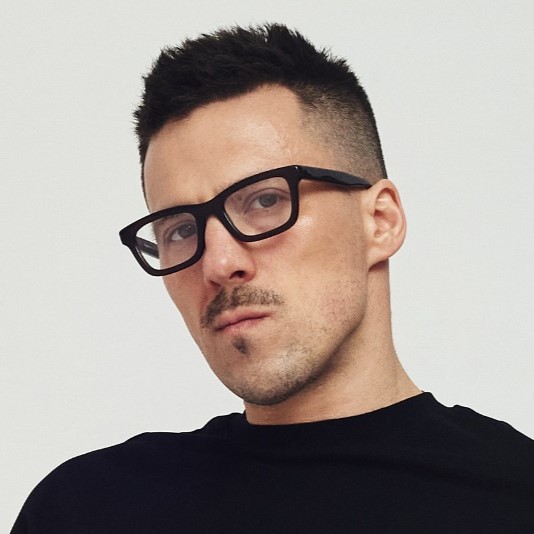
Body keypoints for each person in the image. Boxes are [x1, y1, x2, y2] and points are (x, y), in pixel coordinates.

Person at [11, 23, 534, 533]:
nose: (218, 264)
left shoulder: (513, 496)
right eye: (180, 230)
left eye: (265, 201)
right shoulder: (84, 508)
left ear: (379, 221)